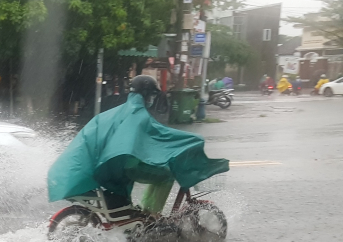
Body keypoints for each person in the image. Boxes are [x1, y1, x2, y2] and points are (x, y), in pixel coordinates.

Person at [47, 75, 229, 215]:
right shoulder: (138, 114)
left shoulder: (117, 111)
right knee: (166, 176)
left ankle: (145, 212)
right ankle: (151, 215)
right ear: (146, 94)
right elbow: (160, 134)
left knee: (159, 172)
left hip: (115, 166)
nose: (151, 99)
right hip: (129, 166)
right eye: (151, 95)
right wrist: (192, 140)